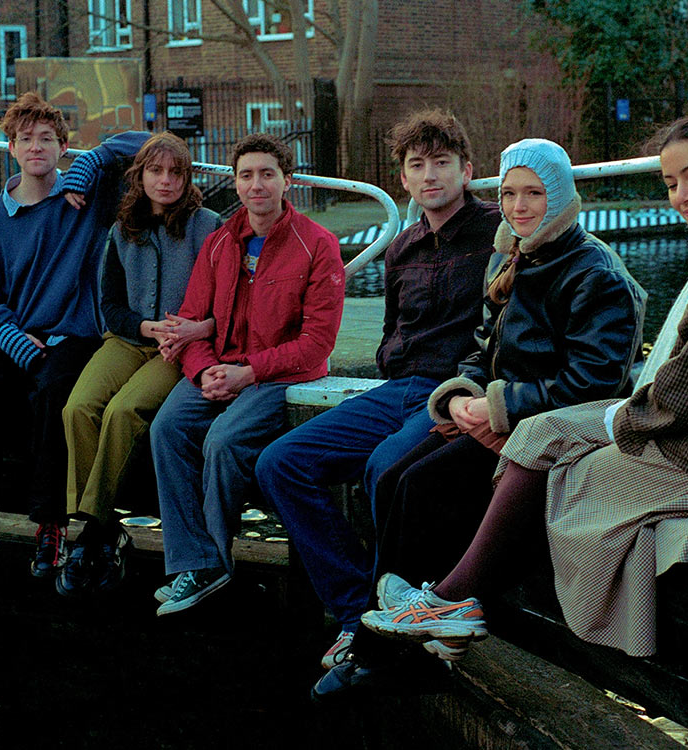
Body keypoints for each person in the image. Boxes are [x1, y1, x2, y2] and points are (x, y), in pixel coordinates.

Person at [358, 112, 688, 670]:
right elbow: (487, 346)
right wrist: (469, 397)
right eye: (670, 184)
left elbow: (685, 396)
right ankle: (440, 613)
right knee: (438, 466)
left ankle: (449, 605)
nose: (681, 196)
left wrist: (605, 425)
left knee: (552, 452)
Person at [317, 138, 646, 688]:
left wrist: (497, 408)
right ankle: (402, 626)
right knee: (395, 474)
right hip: (498, 419)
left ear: (560, 196)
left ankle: (380, 653)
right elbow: (482, 345)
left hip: (546, 436)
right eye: (511, 193)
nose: (519, 206)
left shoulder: (595, 273)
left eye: (535, 194)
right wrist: (460, 396)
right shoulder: (510, 255)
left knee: (423, 484)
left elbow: (593, 383)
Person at [254, 109, 501, 668]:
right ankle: (355, 608)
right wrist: (391, 357)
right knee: (280, 464)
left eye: (442, 163)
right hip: (399, 387)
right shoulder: (402, 247)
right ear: (404, 180)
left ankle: (396, 619)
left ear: (467, 170)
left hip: (457, 388)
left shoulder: (496, 233)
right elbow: (392, 330)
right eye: (418, 166)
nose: (431, 175)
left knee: (385, 467)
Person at [0, 92, 149, 582]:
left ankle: (50, 527)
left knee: (55, 395)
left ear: (62, 147)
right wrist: (10, 336)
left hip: (72, 335)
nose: (35, 147)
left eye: (46, 138)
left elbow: (151, 145)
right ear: (9, 148)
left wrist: (94, 159)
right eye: (24, 139)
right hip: (10, 336)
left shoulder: (87, 199)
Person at [150, 132, 345, 616]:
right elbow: (190, 322)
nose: (256, 185)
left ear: (288, 181)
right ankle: (190, 560)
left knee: (222, 441)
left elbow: (317, 343)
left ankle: (215, 562)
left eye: (267, 174)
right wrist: (204, 373)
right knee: (166, 427)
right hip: (220, 370)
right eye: (246, 175)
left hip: (281, 377)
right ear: (235, 184)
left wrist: (248, 373)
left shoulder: (318, 245)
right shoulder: (220, 244)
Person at [56, 133, 222, 597]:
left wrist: (188, 332)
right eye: (155, 171)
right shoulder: (120, 227)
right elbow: (110, 305)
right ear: (141, 176)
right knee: (78, 408)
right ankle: (102, 528)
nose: (165, 180)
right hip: (129, 338)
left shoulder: (208, 226)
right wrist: (143, 327)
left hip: (178, 346)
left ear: (187, 178)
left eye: (175, 172)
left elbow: (223, 300)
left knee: (124, 411)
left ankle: (89, 535)